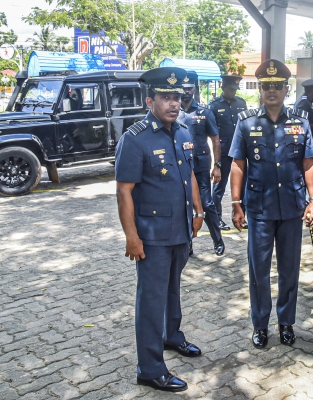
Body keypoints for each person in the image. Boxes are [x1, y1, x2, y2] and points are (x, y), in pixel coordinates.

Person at [115, 67, 204, 392]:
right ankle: (150, 369)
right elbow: (124, 191)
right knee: (151, 300)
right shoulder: (135, 139)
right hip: (152, 235)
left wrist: (198, 211)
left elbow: (189, 175)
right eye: (166, 97)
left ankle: (171, 336)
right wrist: (132, 237)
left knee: (172, 289)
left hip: (179, 228)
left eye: (177, 97)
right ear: (149, 100)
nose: (174, 103)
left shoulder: (183, 132)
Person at [228, 59, 313, 349]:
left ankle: (286, 322)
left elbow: (308, 164)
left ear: (286, 89)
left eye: (277, 86)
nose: (272, 90)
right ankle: (260, 325)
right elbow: (238, 164)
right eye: (266, 86)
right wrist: (236, 202)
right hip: (259, 209)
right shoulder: (246, 122)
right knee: (259, 270)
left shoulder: (299, 122)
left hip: (292, 208)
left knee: (289, 269)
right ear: (260, 89)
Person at [178, 70, 224, 256]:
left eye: (189, 88)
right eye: (183, 88)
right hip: (180, 167)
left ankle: (217, 240)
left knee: (206, 204)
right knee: (184, 206)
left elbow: (215, 139)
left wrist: (217, 166)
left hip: (200, 167)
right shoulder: (173, 112)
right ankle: (188, 243)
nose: (186, 92)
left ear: (194, 89)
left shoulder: (205, 112)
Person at [209, 75, 249, 230]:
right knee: (219, 187)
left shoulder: (241, 103)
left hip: (240, 151)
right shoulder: (214, 106)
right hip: (224, 151)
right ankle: (216, 219)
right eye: (230, 88)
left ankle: (241, 215)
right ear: (223, 87)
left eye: (235, 89)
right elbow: (213, 134)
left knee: (242, 185)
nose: (233, 91)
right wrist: (216, 162)